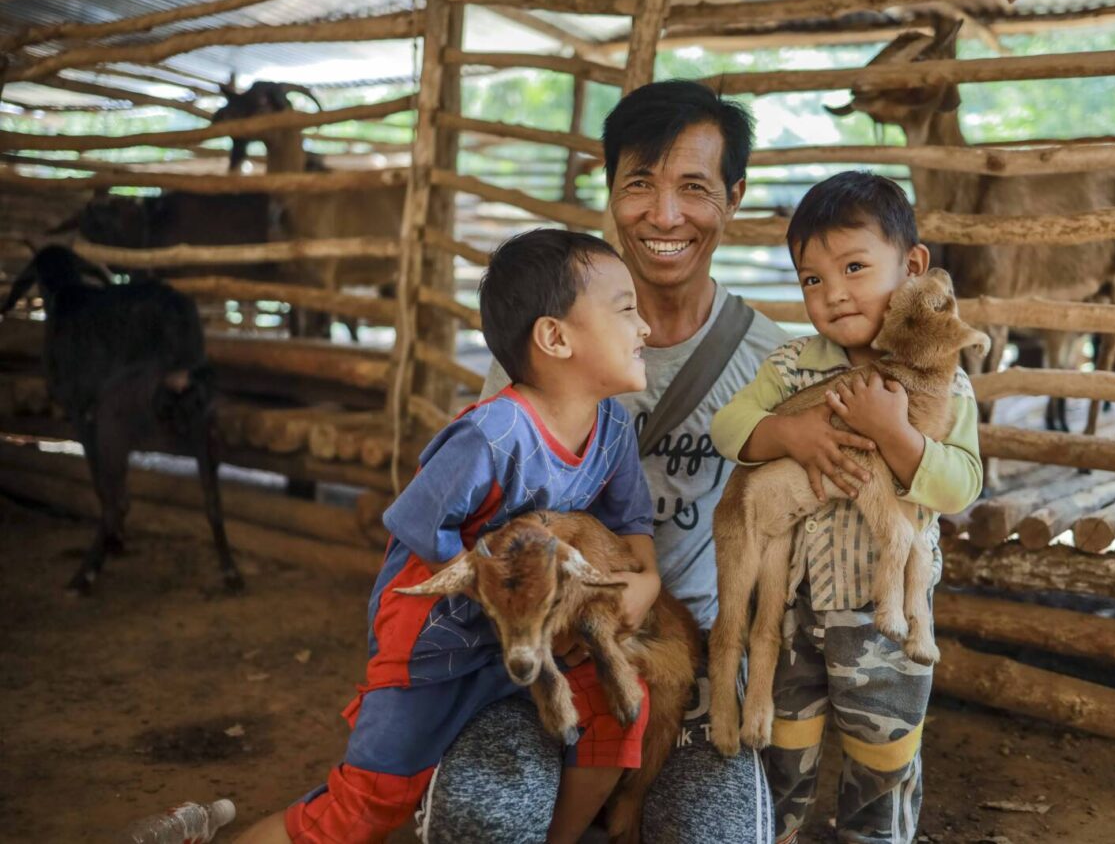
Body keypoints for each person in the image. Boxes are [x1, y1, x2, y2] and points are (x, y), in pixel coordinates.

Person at [426, 81, 874, 844]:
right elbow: (476, 525)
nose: (665, 216)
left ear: (732, 197)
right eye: (640, 184)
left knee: (716, 836)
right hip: (546, 660)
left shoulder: (782, 365)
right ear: (611, 194)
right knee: (482, 819)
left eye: (694, 188)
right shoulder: (541, 348)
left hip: (695, 671)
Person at [233, 229, 660, 843]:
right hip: (431, 648)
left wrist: (644, 580)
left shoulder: (613, 429)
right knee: (364, 810)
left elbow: (631, 523)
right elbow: (414, 522)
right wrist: (508, 595)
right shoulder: (491, 436)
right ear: (555, 337)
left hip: (525, 639)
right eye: (625, 309)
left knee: (617, 723)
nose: (644, 326)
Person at [709, 171, 983, 843]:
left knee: (881, 765)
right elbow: (727, 426)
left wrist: (897, 435)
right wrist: (789, 432)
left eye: (855, 267)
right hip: (798, 609)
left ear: (912, 266)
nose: (833, 294)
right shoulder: (794, 363)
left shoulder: (947, 380)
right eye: (812, 279)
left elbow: (961, 486)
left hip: (885, 627)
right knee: (782, 756)